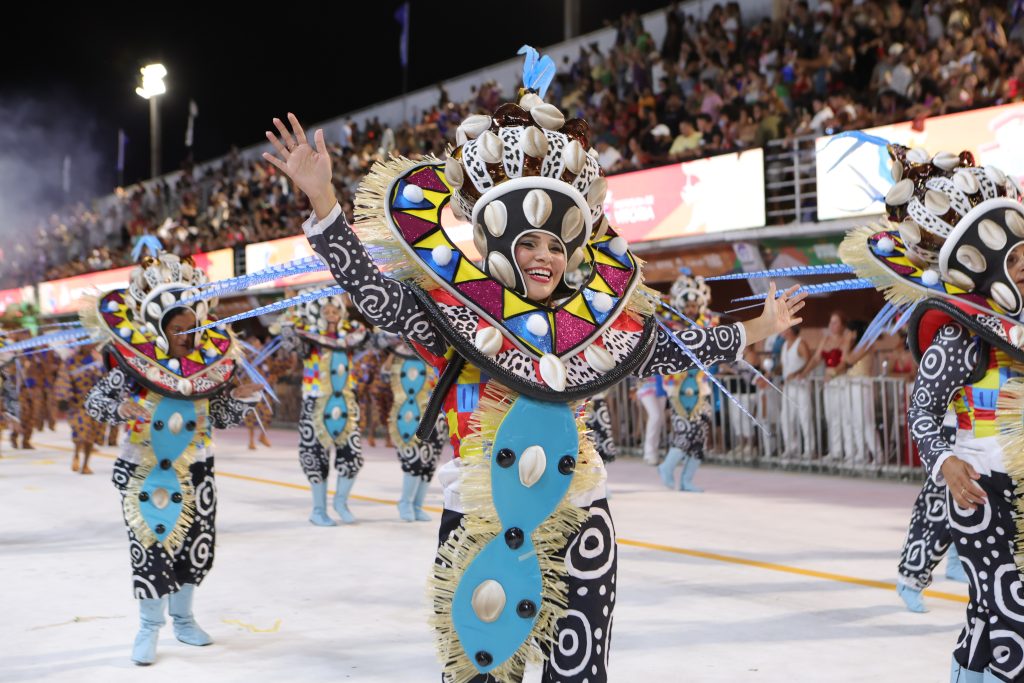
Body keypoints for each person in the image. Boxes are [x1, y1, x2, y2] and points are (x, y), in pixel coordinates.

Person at [259, 60, 804, 681]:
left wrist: (760, 327)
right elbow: (373, 295)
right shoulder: (454, 316)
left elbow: (679, 350)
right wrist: (323, 199)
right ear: (496, 247)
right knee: (481, 668)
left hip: (580, 518)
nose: (543, 256)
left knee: (580, 671)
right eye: (527, 243)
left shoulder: (602, 327)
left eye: (554, 244)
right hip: (479, 512)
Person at [83, 252, 262, 666]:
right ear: (159, 330)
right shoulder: (132, 368)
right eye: (178, 329)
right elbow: (95, 401)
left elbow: (220, 417)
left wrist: (239, 399)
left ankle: (184, 619)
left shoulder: (211, 369)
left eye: (193, 328)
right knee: (151, 547)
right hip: (145, 469)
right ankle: (149, 627)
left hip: (198, 468)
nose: (188, 335)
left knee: (194, 543)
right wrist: (121, 409)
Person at [282, 292, 367, 526]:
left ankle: (341, 502)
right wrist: (290, 319)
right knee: (315, 456)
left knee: (353, 455)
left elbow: (371, 338)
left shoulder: (350, 336)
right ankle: (318, 510)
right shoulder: (308, 340)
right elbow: (289, 343)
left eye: (335, 310)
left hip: (345, 402)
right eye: (326, 311)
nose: (331, 314)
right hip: (316, 401)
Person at [659, 271, 714, 490]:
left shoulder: (707, 325)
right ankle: (666, 467)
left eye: (695, 305)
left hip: (702, 387)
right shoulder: (670, 328)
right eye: (687, 305)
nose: (691, 309)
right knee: (685, 431)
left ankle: (688, 479)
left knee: (701, 434)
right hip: (678, 388)